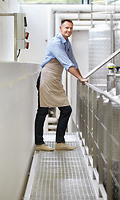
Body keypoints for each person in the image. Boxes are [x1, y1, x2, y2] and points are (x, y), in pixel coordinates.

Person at [35, 19, 88, 151]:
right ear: (60, 28)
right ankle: (39, 144)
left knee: (65, 110)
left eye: (71, 28)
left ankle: (60, 142)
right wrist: (79, 77)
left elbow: (73, 62)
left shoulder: (66, 43)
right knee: (43, 111)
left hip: (55, 79)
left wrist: (82, 77)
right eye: (66, 28)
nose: (69, 30)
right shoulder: (56, 43)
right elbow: (67, 64)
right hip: (47, 79)